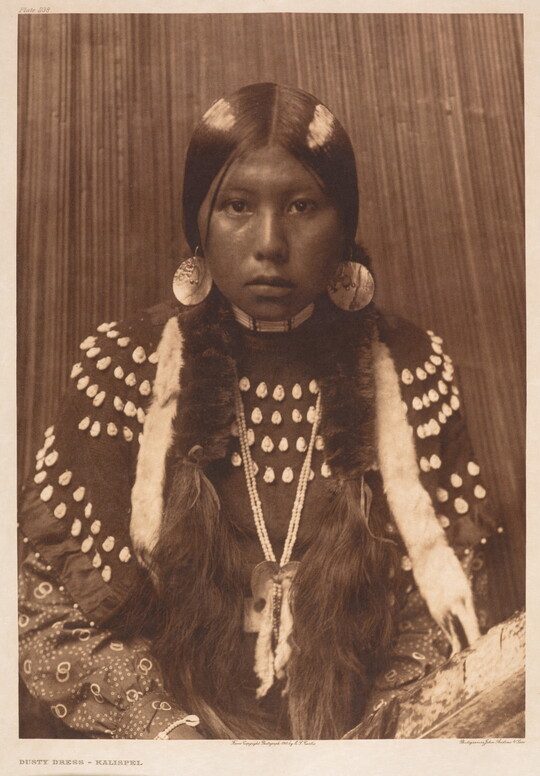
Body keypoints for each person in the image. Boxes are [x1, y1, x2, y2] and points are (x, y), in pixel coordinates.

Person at [18, 82, 500, 740]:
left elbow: (442, 614)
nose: (270, 241)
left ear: (345, 224)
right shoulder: (123, 368)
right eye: (238, 206)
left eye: (303, 205)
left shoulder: (411, 368)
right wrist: (170, 738)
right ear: (199, 226)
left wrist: (378, 738)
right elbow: (44, 610)